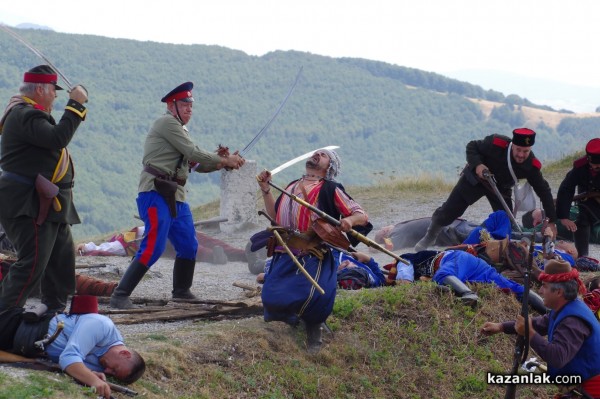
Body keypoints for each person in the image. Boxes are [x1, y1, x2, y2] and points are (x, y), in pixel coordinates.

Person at [110, 82, 244, 309]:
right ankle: (120, 295)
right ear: (172, 106)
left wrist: (221, 163)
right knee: (153, 246)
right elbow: (193, 153)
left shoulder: (180, 130)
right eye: (184, 104)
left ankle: (181, 291)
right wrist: (224, 160)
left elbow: (196, 163)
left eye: (191, 104)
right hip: (155, 192)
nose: (189, 108)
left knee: (188, 245)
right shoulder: (167, 124)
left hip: (176, 196)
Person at [256, 148, 370, 353]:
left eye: (324, 155)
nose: (317, 155)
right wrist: (266, 189)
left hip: (311, 254)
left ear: (329, 168)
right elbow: (276, 217)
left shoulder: (330, 189)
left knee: (310, 297)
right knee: (271, 301)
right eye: (316, 152)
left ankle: (314, 331)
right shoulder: (291, 186)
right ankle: (292, 323)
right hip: (285, 253)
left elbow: (361, 215)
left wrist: (349, 220)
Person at [0, 65, 88, 313]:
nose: (56, 96)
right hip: (27, 202)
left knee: (60, 260)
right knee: (32, 263)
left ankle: (53, 311)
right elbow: (57, 138)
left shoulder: (28, 113)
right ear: (40, 89)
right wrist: (76, 106)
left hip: (46, 201)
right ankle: (5, 316)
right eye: (53, 90)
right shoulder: (25, 115)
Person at [414, 128, 557, 252]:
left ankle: (500, 248)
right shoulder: (495, 143)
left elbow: (544, 191)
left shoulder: (531, 166)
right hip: (475, 180)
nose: (521, 154)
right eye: (518, 149)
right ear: (512, 145)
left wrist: (551, 220)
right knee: (448, 212)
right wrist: (477, 165)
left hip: (500, 189)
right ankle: (430, 237)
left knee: (505, 221)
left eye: (525, 151)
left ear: (530, 149)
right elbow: (472, 146)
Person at [481, 259, 600, 398]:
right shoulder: (566, 308)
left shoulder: (572, 321)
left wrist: (529, 334)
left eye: (544, 286)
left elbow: (557, 357)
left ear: (559, 292)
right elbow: (539, 324)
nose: (540, 290)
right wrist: (501, 326)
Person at [0, 297, 145, 399]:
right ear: (125, 354)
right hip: (16, 327)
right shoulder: (101, 325)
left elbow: (73, 365)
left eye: (112, 374)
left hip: (22, 347)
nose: (107, 371)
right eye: (115, 369)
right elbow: (69, 358)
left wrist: (90, 373)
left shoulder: (105, 362)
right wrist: (94, 381)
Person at [397, 249, 547, 313]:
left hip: (454, 259)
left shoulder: (405, 259)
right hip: (473, 266)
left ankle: (467, 294)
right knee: (511, 286)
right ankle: (548, 311)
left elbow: (405, 283)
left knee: (442, 276)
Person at [77, 225, 246, 264]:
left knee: (202, 241)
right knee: (191, 244)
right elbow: (101, 250)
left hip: (160, 229)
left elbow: (100, 248)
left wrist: (87, 247)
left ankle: (241, 254)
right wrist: (88, 249)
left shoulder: (113, 243)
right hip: (158, 234)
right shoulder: (114, 246)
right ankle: (218, 256)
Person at [555, 138, 600, 258]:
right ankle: (582, 256)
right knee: (583, 220)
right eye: (594, 165)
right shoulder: (580, 167)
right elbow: (566, 189)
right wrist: (564, 216)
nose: (597, 167)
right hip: (588, 200)